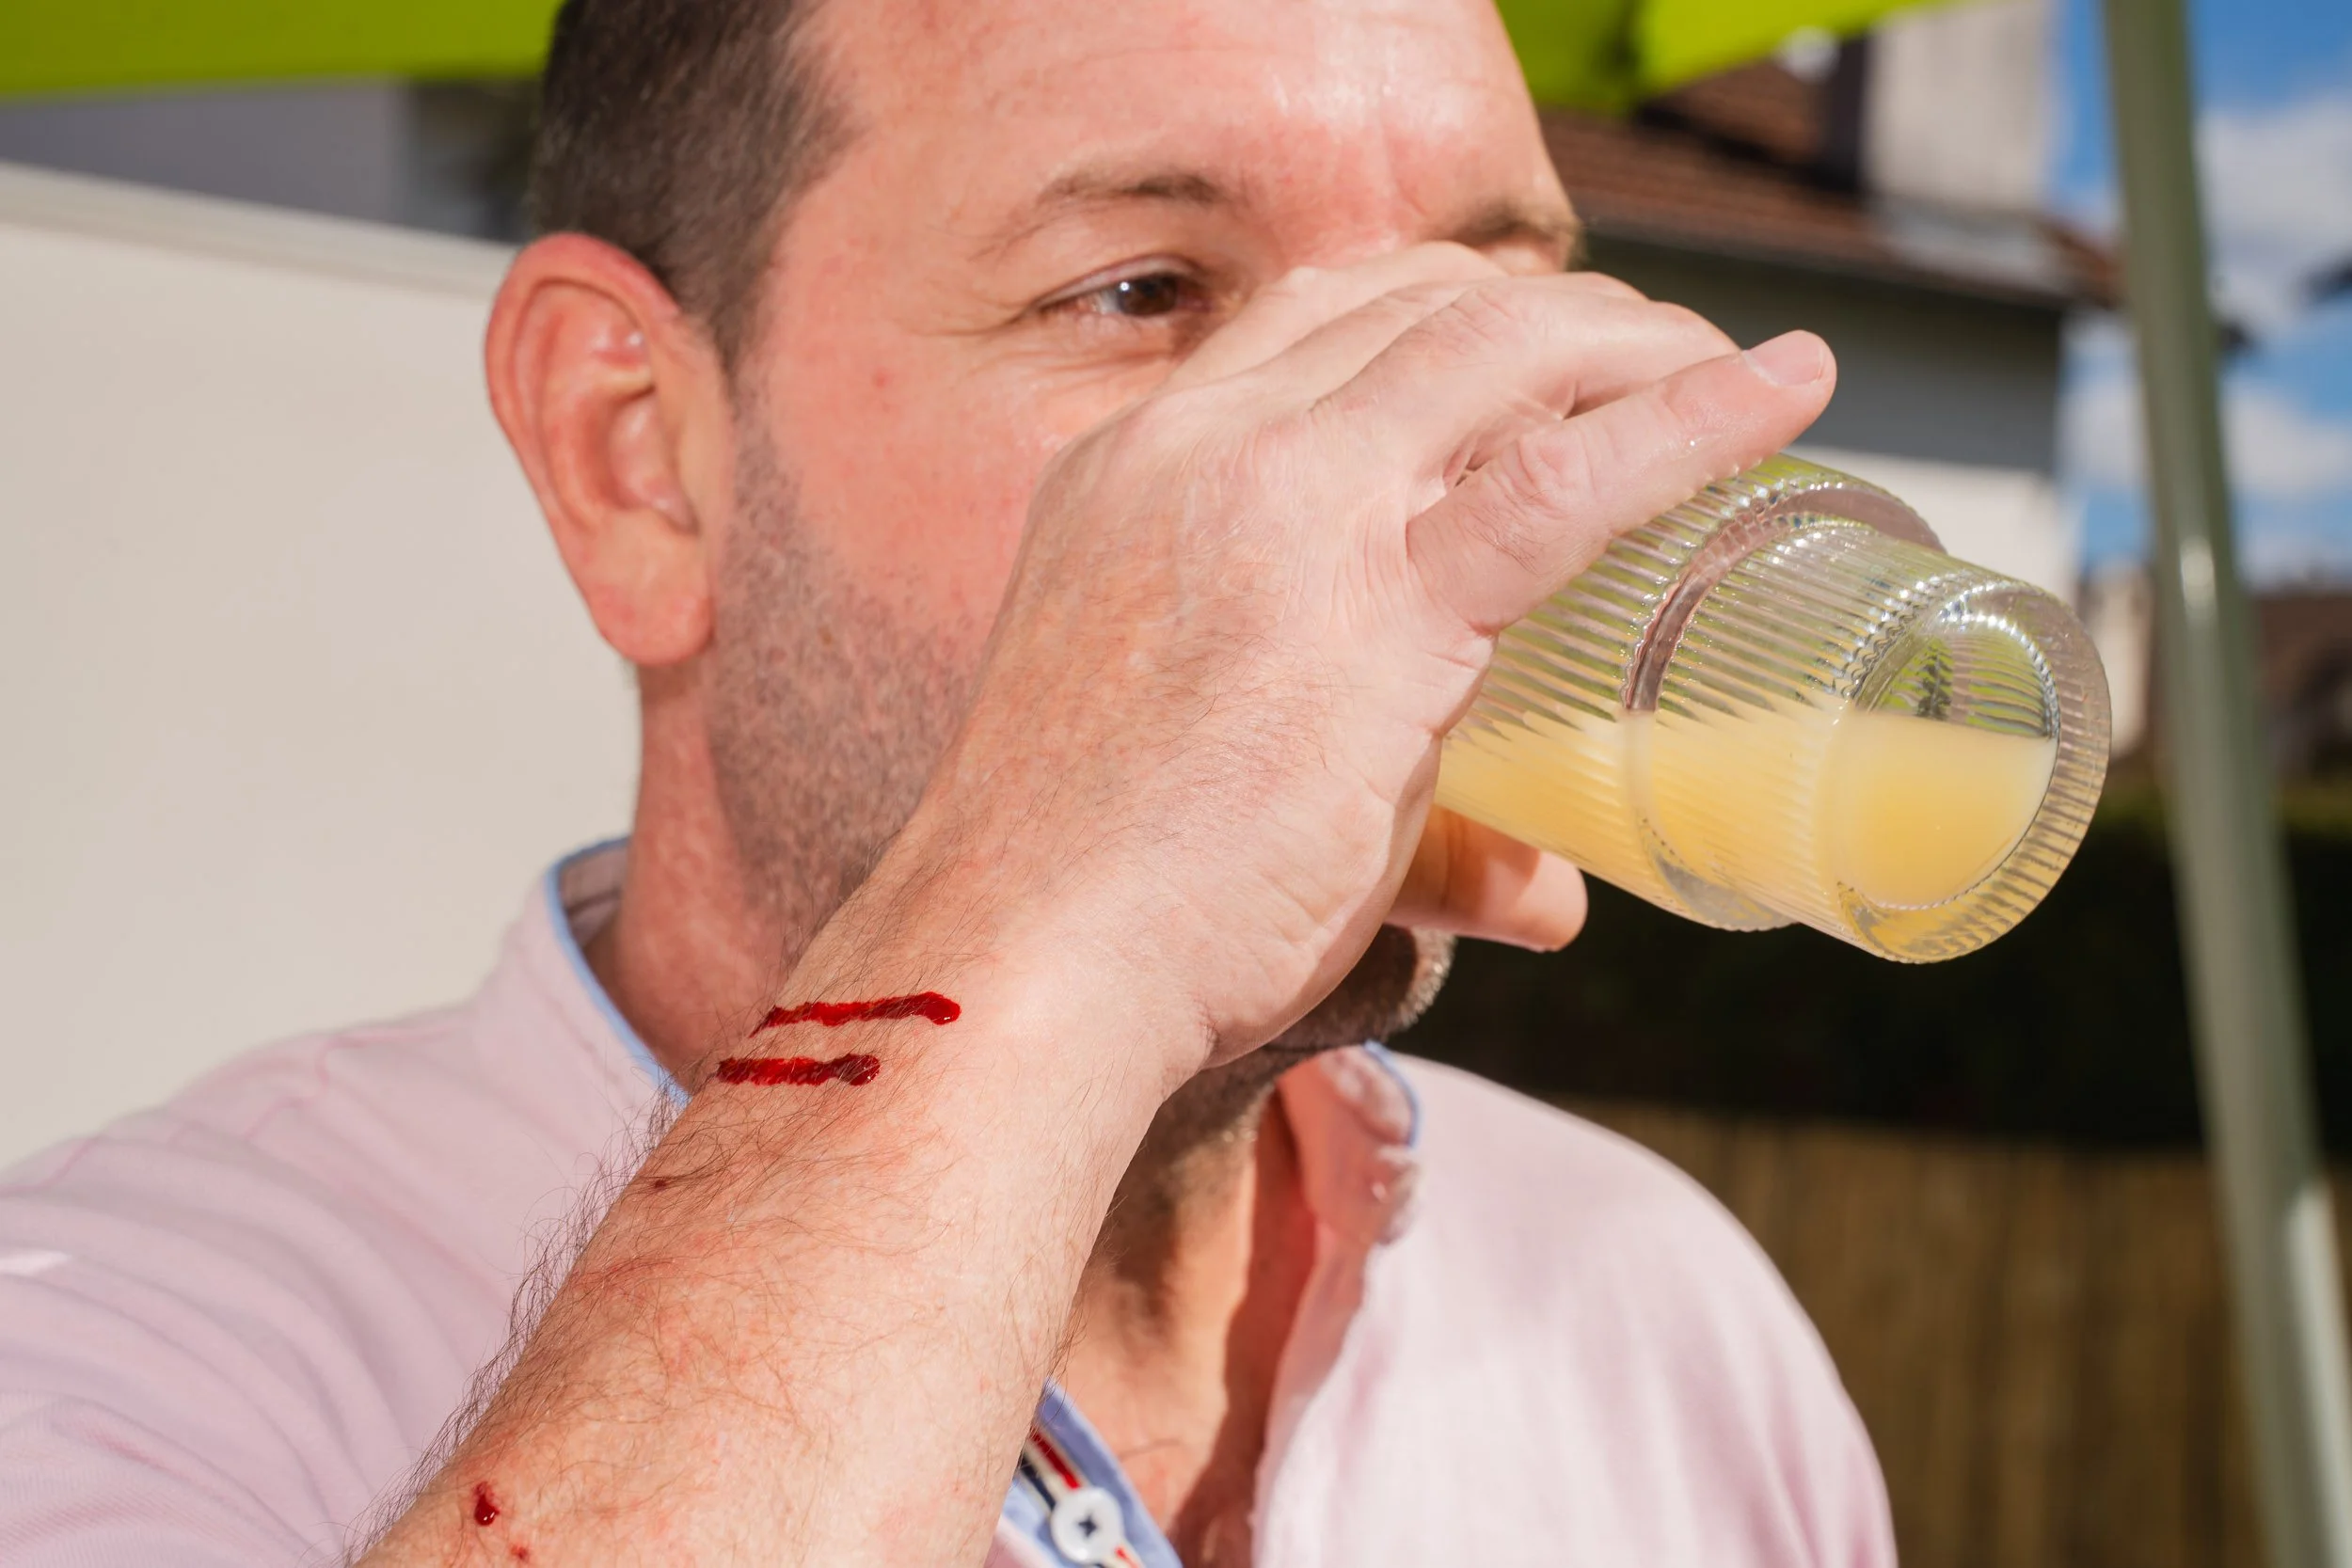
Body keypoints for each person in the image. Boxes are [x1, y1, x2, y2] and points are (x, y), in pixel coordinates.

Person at [0, 0, 1895, 1563]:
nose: (1407, 462)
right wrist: (1076, 918)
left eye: (1486, 301)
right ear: (631, 456)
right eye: (1146, 288)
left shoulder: (1664, 1321)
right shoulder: (113, 1354)